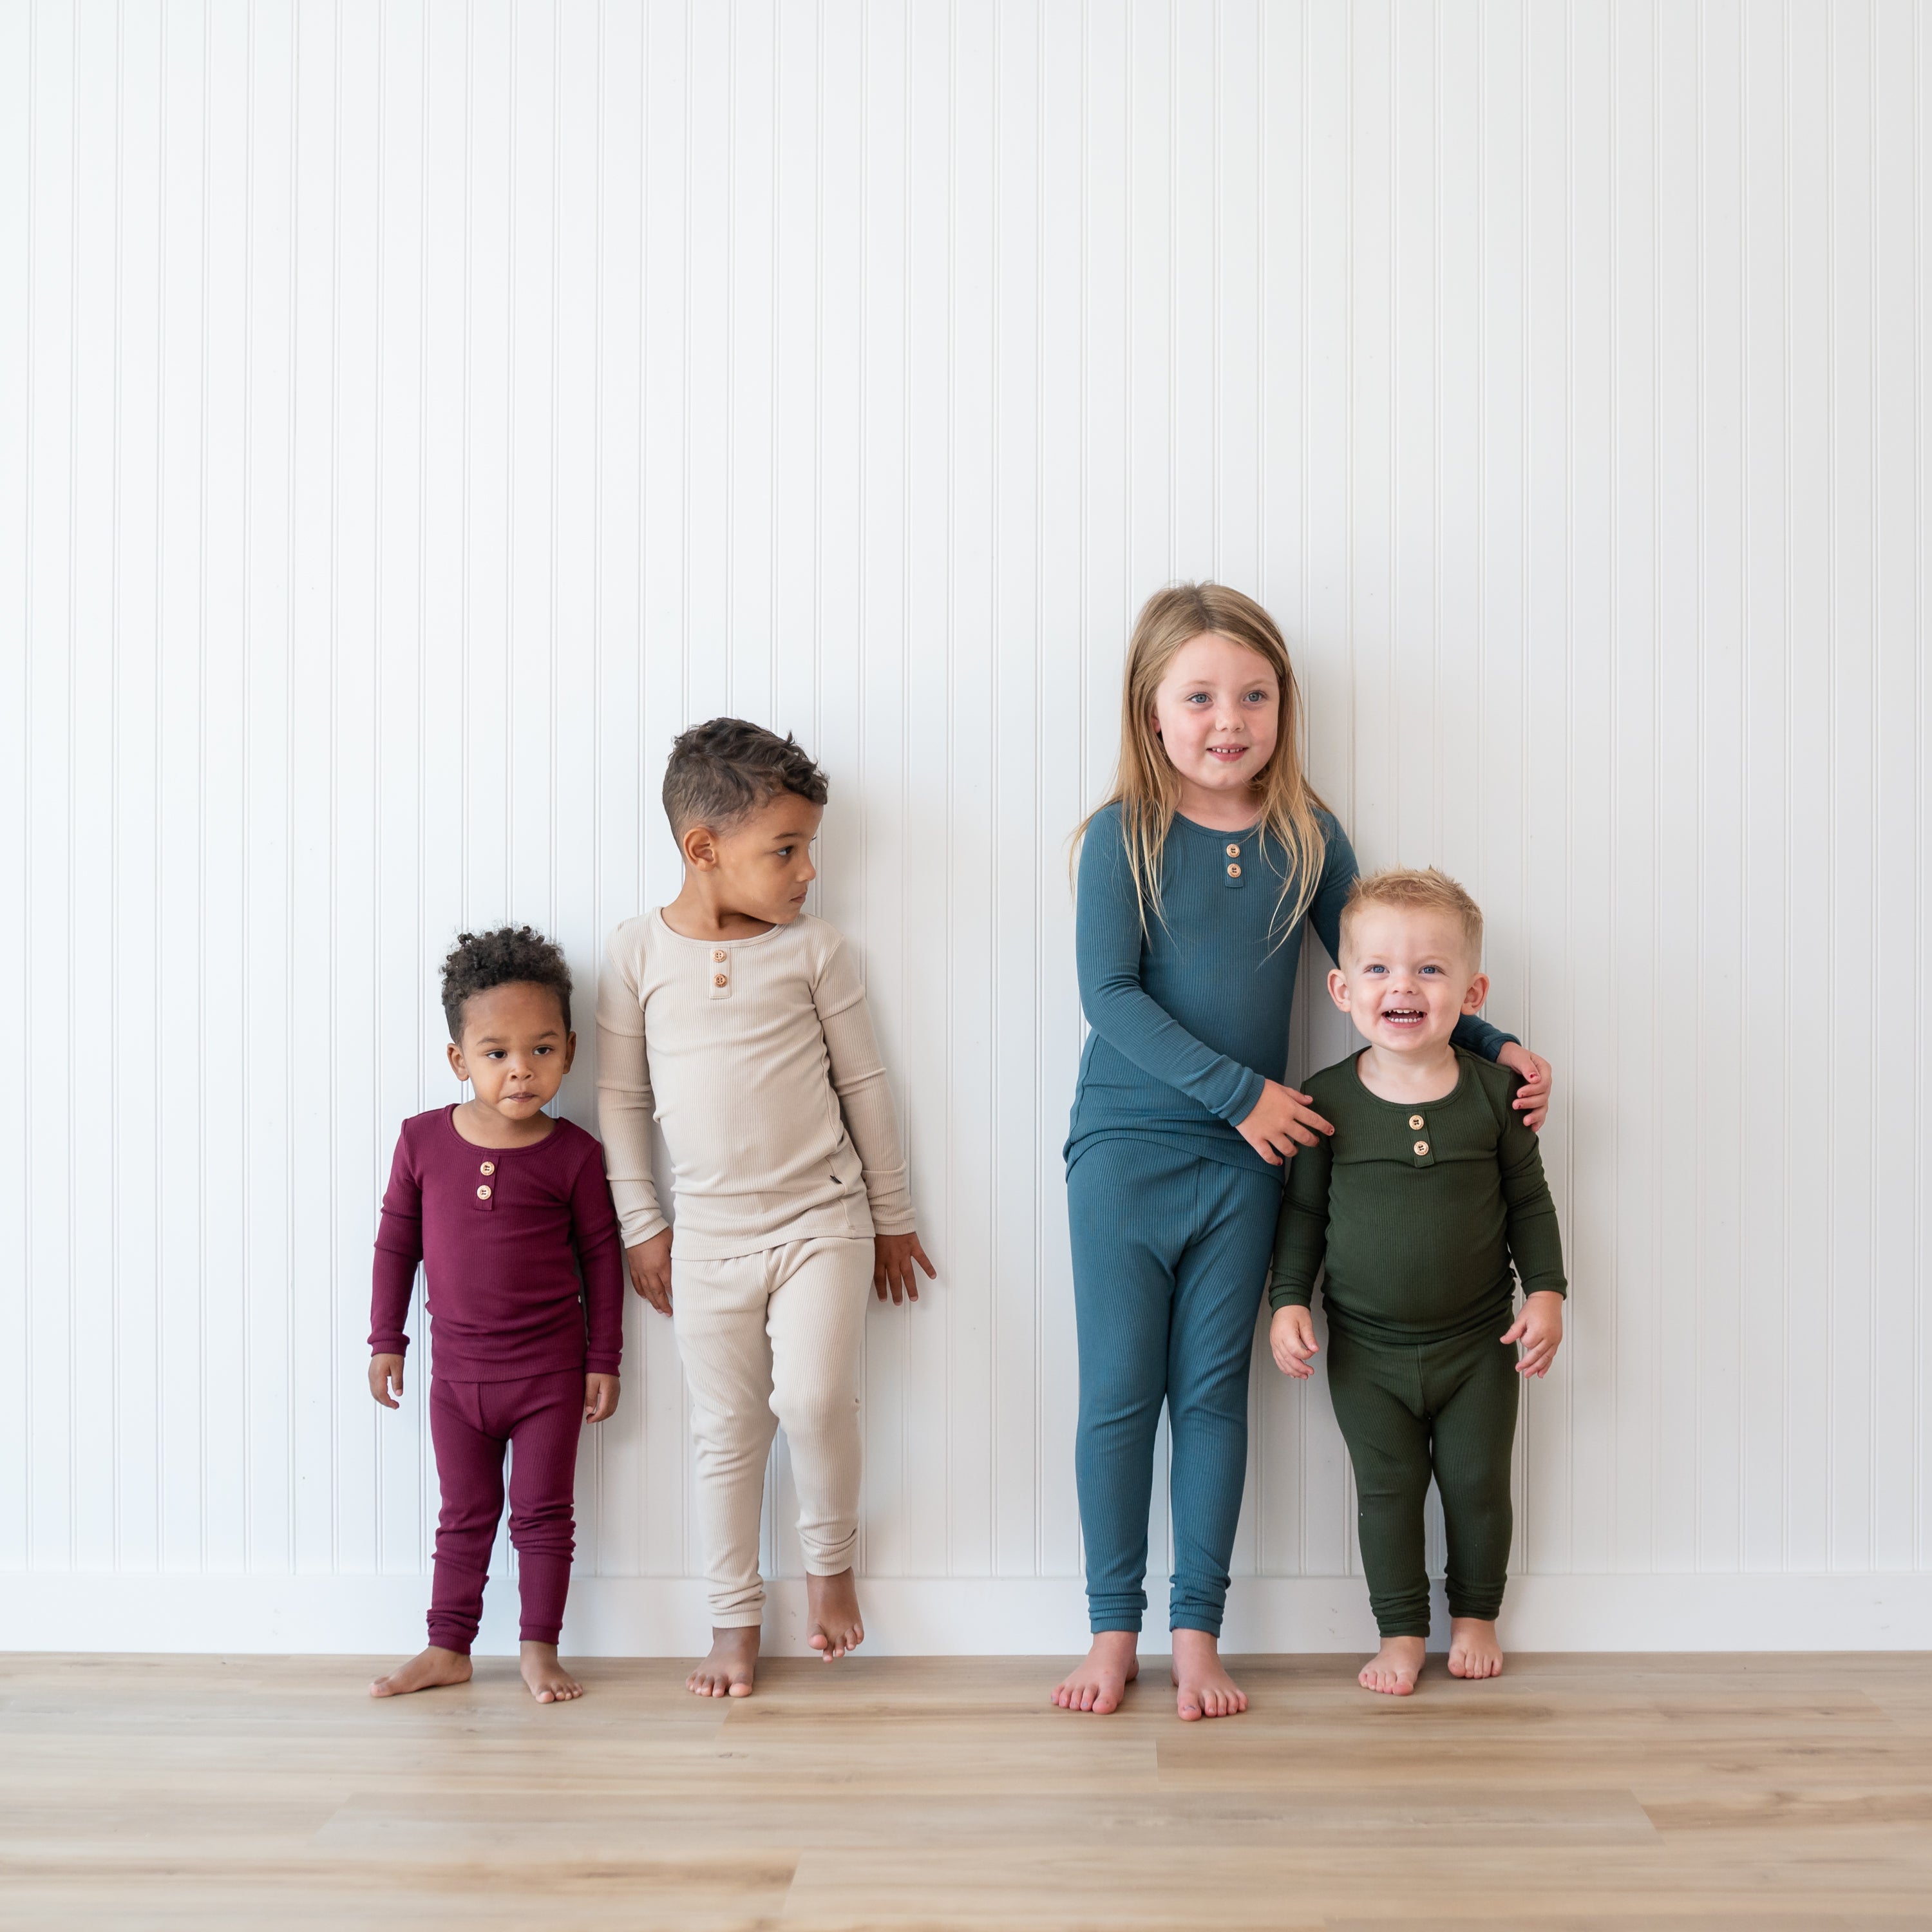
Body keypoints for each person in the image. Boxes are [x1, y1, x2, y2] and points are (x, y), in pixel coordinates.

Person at [1053, 582, 1553, 1722]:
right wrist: (1241, 1094)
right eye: (1200, 697)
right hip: (1130, 1149)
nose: (1229, 719)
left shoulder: (1305, 836)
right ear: (1150, 711)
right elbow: (1109, 997)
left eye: (1255, 695)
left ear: (1284, 707)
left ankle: (1196, 1635)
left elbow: (1379, 965)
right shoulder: (1117, 840)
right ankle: (1110, 1630)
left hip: (1251, 1157)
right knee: (1121, 1398)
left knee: (1214, 1397)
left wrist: (1495, 1040)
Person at [598, 718, 934, 1698]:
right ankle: (732, 1618)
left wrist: (892, 1213)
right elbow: (622, 1100)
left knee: (817, 1401)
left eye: (810, 848)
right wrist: (642, 1227)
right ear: (703, 851)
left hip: (822, 1220)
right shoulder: (634, 956)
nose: (807, 872)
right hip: (704, 1235)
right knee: (726, 1429)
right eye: (786, 850)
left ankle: (830, 1571)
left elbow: (866, 1087)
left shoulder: (816, 953)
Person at [1269, 867, 1566, 1696]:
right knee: (1388, 1491)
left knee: (1477, 1484)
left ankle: (1475, 1615)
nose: (1403, 986)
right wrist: (1287, 1300)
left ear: (1471, 993)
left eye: (1429, 970)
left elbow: (1530, 1205)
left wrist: (1547, 1292)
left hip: (1479, 1345)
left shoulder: (1496, 1096)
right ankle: (1400, 1630)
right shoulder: (1324, 1102)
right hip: (1367, 1352)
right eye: (1379, 970)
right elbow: (1302, 1217)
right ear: (1341, 988)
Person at [367, 925, 624, 1703]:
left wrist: (603, 1358)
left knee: (544, 1516)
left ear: (570, 1052)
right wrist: (388, 1339)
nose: (521, 1070)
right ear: (460, 1059)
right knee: (464, 1515)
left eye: (542, 1050)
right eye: (498, 1053)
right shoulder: (420, 1142)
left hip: (548, 1377)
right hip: (457, 1380)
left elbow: (603, 1259)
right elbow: (394, 1248)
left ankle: (539, 1649)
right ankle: (448, 1646)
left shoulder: (574, 1154)